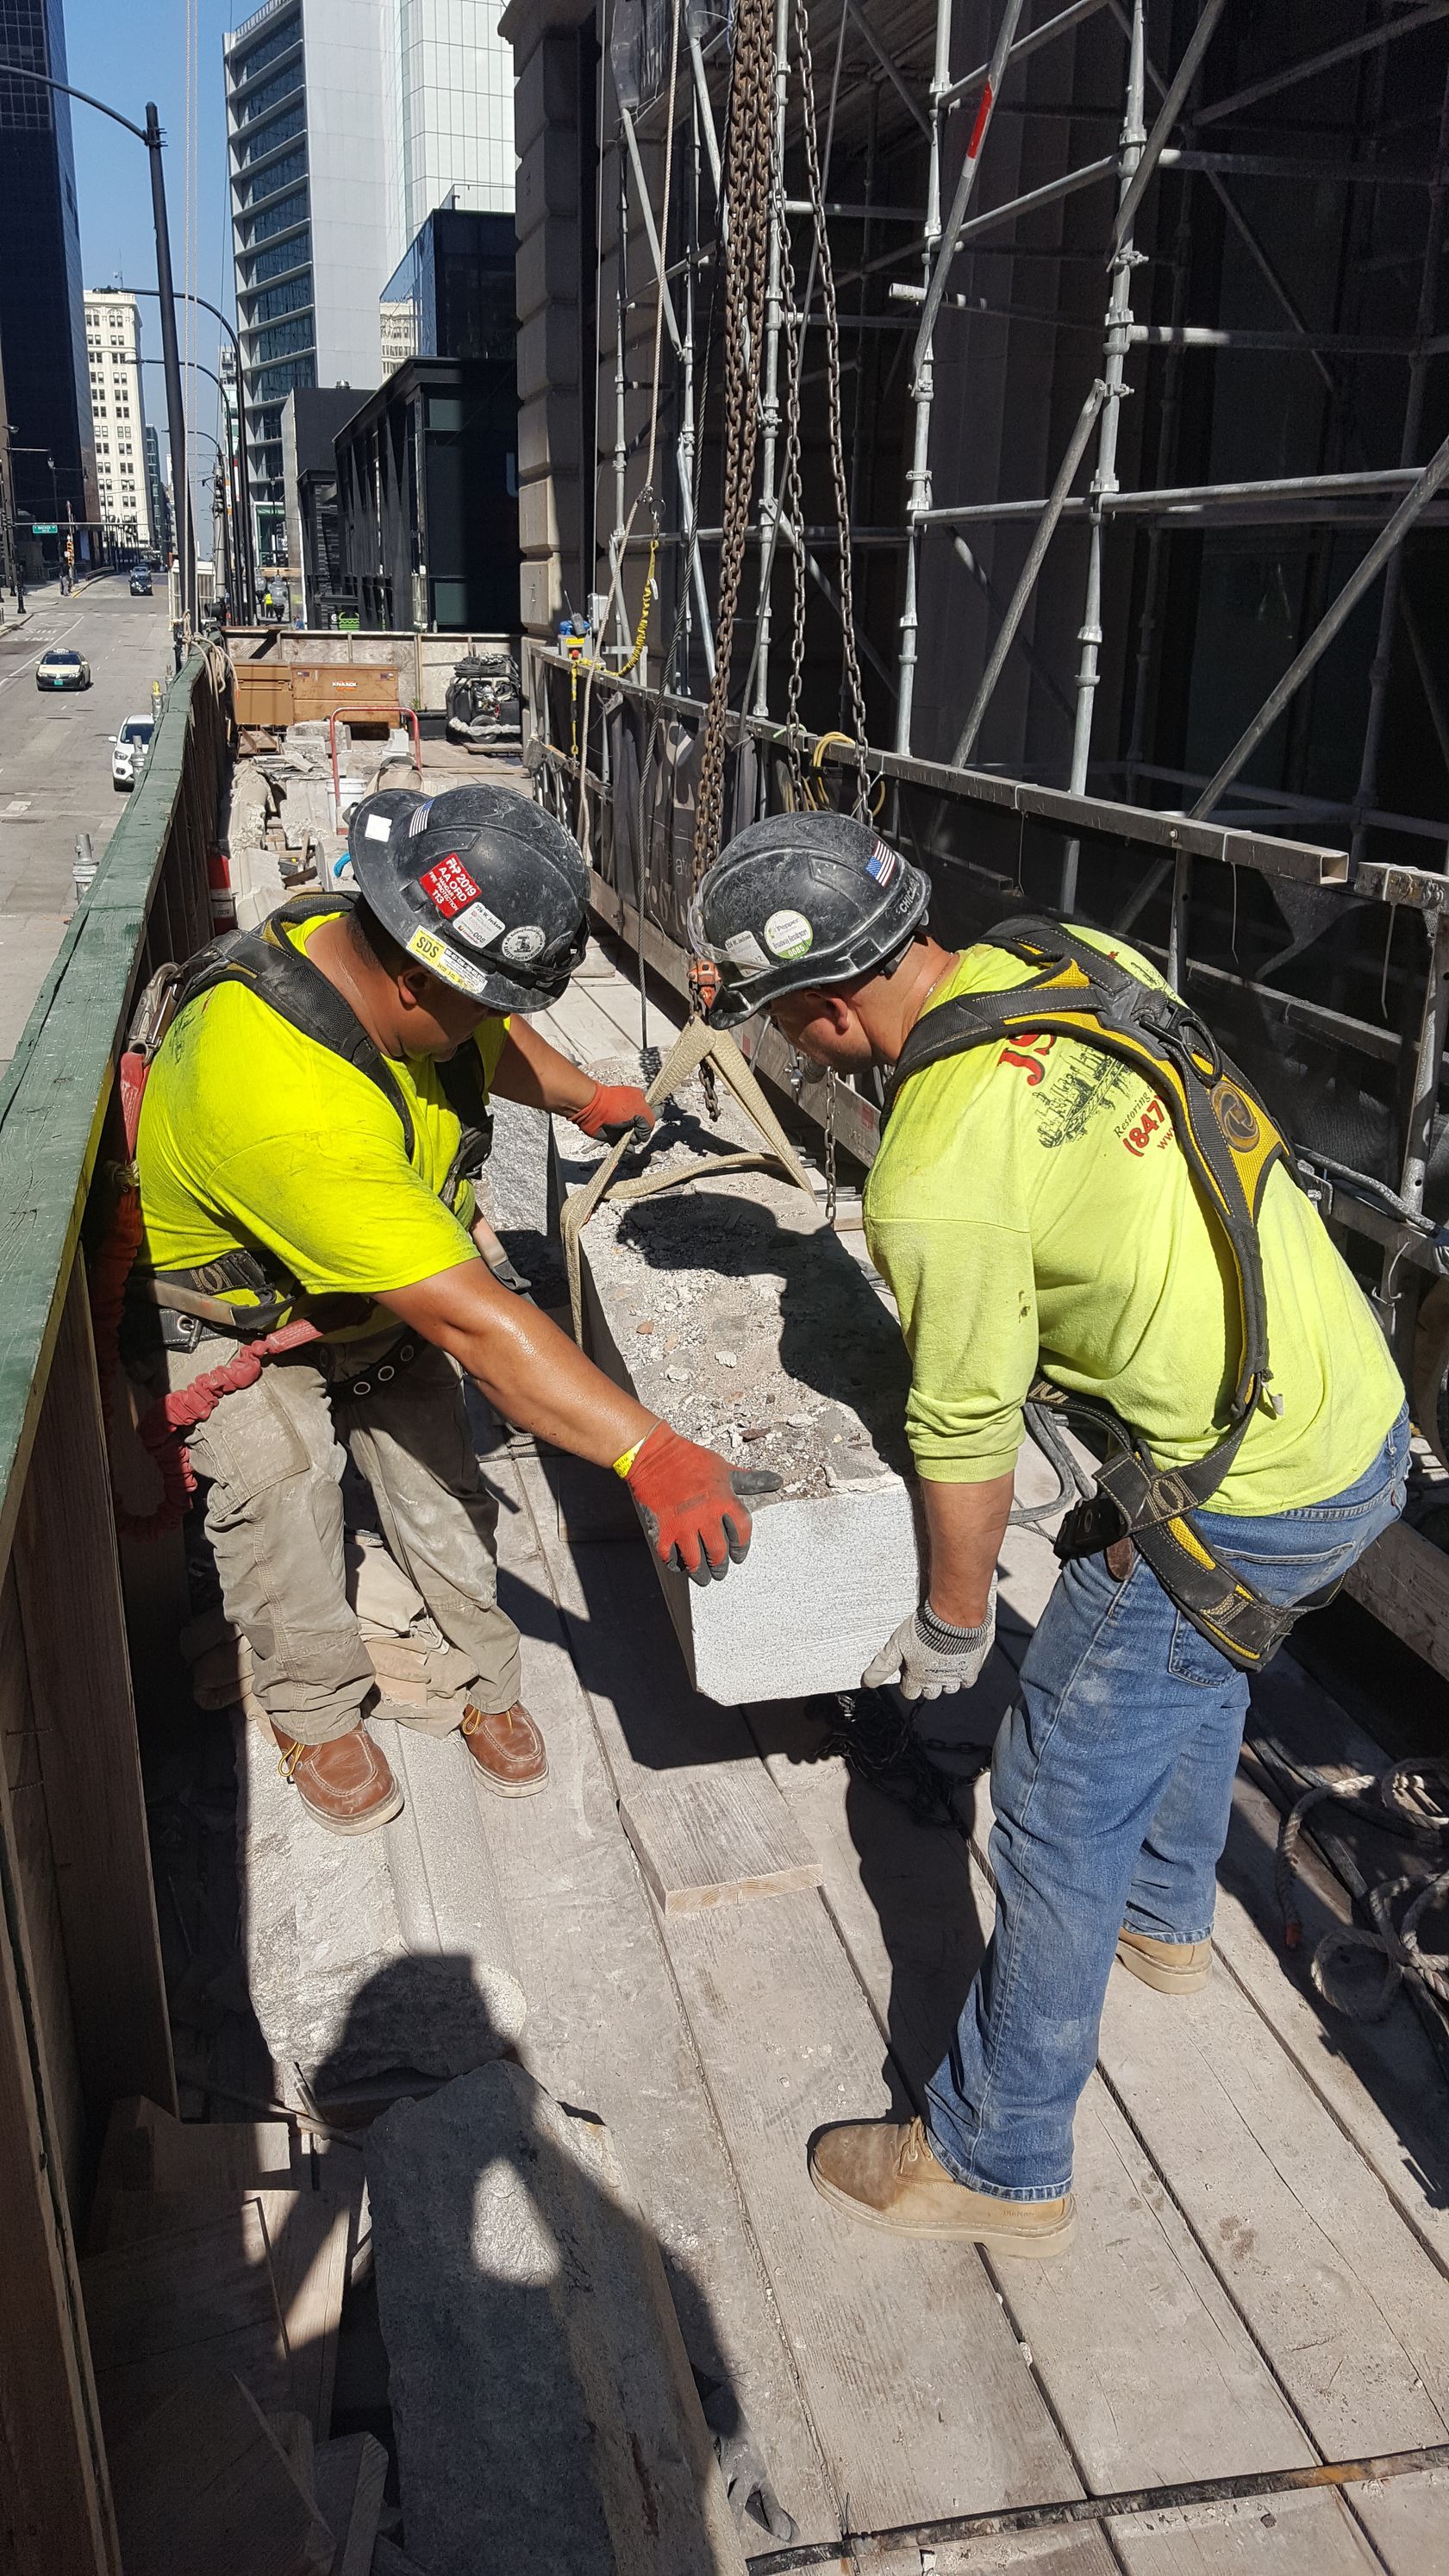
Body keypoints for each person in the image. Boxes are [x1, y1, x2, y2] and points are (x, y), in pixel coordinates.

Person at [692, 811, 1407, 2257]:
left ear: (831, 1005)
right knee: (1199, 1664)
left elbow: (964, 1426)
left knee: (1051, 1788)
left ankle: (997, 2156)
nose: (784, 1044)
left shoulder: (937, 1166)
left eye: (781, 1019)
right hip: (1358, 1425)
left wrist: (957, 1622)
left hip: (1239, 1501)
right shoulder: (1060, 956)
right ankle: (1167, 1919)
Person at [129, 783, 771, 1837]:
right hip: (243, 1328)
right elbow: (475, 1322)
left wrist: (580, 1096)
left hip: (370, 1295)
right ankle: (316, 1713)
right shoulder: (284, 1101)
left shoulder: (364, 944)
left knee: (445, 1495)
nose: (495, 1025)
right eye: (487, 1000)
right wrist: (648, 1453)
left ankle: (483, 1676)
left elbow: (482, 1040)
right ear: (421, 977)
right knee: (283, 1507)